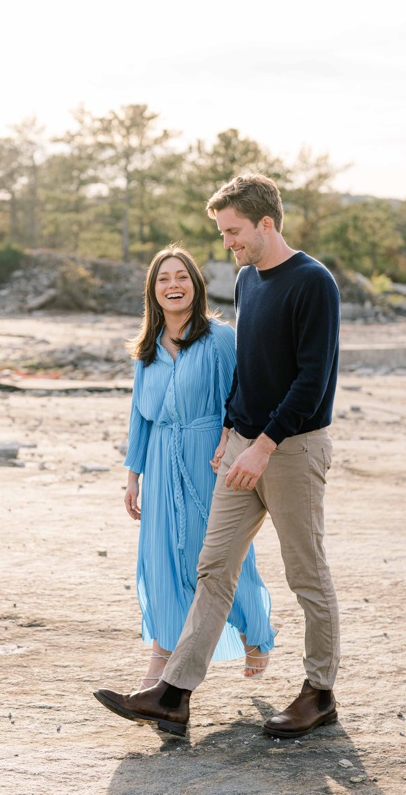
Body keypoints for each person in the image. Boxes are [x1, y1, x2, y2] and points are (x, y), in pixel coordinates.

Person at [95, 173, 341, 740]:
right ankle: (174, 694)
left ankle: (319, 692)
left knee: (306, 573)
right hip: (240, 449)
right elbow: (252, 371)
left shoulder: (313, 283)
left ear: (265, 223)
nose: (228, 243)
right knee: (214, 568)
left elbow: (312, 381)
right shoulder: (249, 277)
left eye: (233, 231)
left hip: (291, 450)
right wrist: (231, 430)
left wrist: (263, 445)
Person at [118, 245, 276, 691]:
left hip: (209, 459)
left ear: (196, 285)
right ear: (153, 290)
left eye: (181, 277)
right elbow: (139, 414)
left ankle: (254, 631)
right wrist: (133, 476)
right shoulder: (146, 350)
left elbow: (242, 393)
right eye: (164, 278)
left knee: (215, 558)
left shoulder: (221, 339)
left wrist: (229, 436)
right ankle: (160, 667)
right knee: (162, 562)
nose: (173, 285)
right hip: (160, 463)